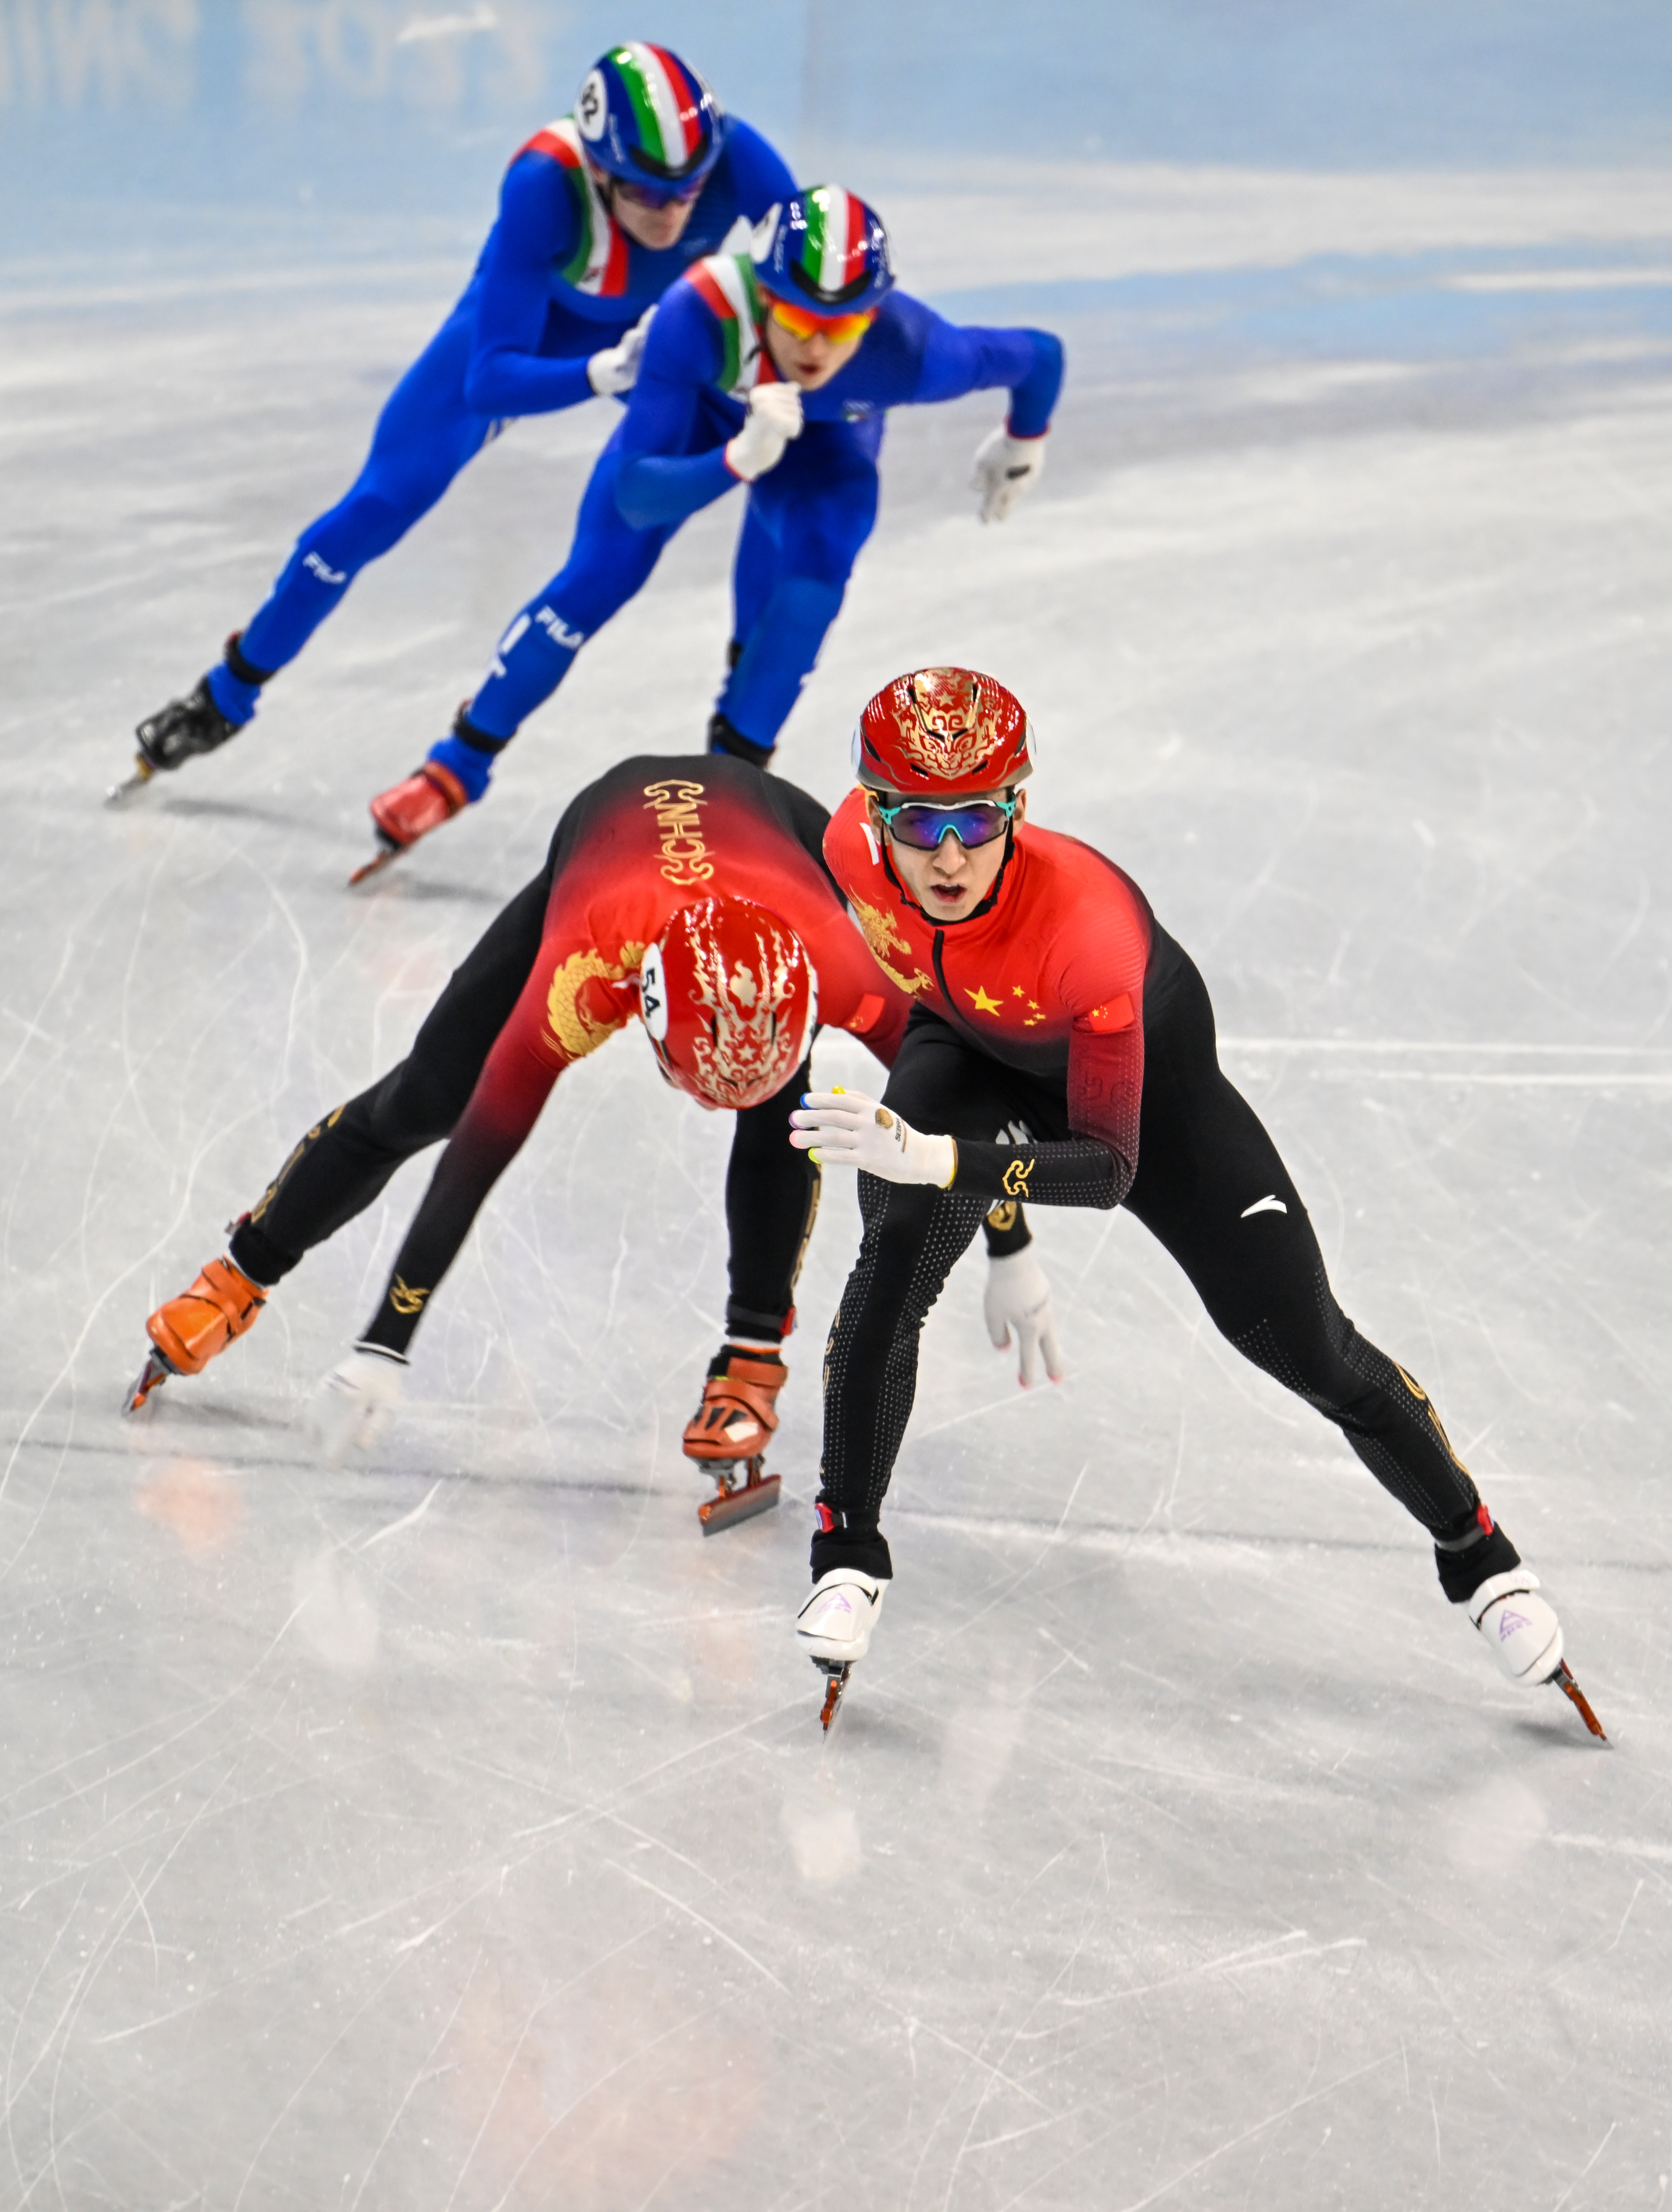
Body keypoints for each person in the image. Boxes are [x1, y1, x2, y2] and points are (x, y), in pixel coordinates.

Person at [785, 666, 1605, 1736]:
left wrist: (939, 1160)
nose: (948, 854)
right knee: (887, 1267)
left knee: (1302, 1341)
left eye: (979, 818)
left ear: (1018, 809)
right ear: (874, 811)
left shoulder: (1087, 930)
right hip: (970, 1050)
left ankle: (1481, 1557)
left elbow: (1107, 1168)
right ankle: (848, 1553)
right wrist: (983, 1223)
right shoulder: (848, 849)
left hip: (1147, 1111)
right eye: (920, 820)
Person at [123, 755, 1049, 1526]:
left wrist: (1012, 1246)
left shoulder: (848, 970)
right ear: (640, 1016)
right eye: (697, 1088)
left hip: (776, 845)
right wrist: (384, 1343)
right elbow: (477, 1154)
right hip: (612, 839)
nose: (706, 1110)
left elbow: (958, 1116)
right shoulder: (584, 964)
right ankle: (240, 1272)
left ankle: (751, 1358)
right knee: (426, 1098)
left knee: (785, 1110)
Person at [115, 45, 795, 798]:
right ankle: (228, 691)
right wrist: (602, 371)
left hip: (658, 344)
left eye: (690, 192)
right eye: (647, 193)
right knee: (374, 508)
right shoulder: (544, 183)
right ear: (600, 170)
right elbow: (490, 379)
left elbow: (811, 279)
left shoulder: (739, 155)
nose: (673, 213)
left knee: (779, 461)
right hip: (532, 341)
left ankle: (740, 719)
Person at [353, 187, 1063, 871]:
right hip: (701, 421)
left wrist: (1023, 441)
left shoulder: (915, 352)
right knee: (595, 579)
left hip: (824, 448)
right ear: (763, 297)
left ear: (872, 318)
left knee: (813, 584)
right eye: (798, 319)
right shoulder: (697, 315)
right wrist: (738, 457)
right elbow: (636, 495)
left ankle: (728, 803)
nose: (817, 347)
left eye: (842, 327)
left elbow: (1041, 355)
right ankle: (455, 768)